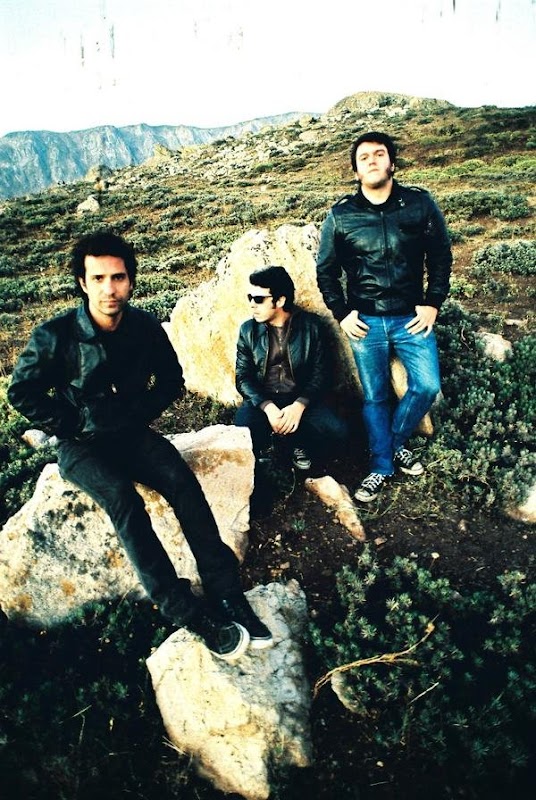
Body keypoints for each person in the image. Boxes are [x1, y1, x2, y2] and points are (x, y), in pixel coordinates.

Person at [8, 231, 273, 660]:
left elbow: (171, 380)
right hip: (80, 446)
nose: (109, 289)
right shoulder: (54, 335)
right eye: (98, 278)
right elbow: (21, 392)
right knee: (124, 501)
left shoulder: (144, 327)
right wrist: (72, 422)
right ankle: (183, 609)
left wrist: (136, 414)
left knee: (182, 483)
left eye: (118, 277)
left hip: (130, 434)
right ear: (83, 283)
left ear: (130, 281)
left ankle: (226, 593)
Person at [316, 131, 452, 503]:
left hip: (412, 318)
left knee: (427, 386)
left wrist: (433, 302)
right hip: (366, 322)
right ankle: (382, 466)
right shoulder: (342, 215)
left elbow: (441, 256)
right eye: (364, 157)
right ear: (356, 171)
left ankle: (390, 445)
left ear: (392, 163)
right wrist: (342, 313)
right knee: (375, 397)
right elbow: (326, 271)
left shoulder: (419, 204)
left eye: (379, 154)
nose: (372, 160)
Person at [235, 266, 348, 512]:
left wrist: (299, 405)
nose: (252, 304)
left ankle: (299, 443)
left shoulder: (312, 327)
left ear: (280, 300)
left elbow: (322, 374)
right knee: (242, 432)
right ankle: (267, 464)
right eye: (249, 297)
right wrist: (267, 407)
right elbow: (243, 377)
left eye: (259, 299)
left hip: (302, 398)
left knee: (338, 430)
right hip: (265, 400)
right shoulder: (248, 330)